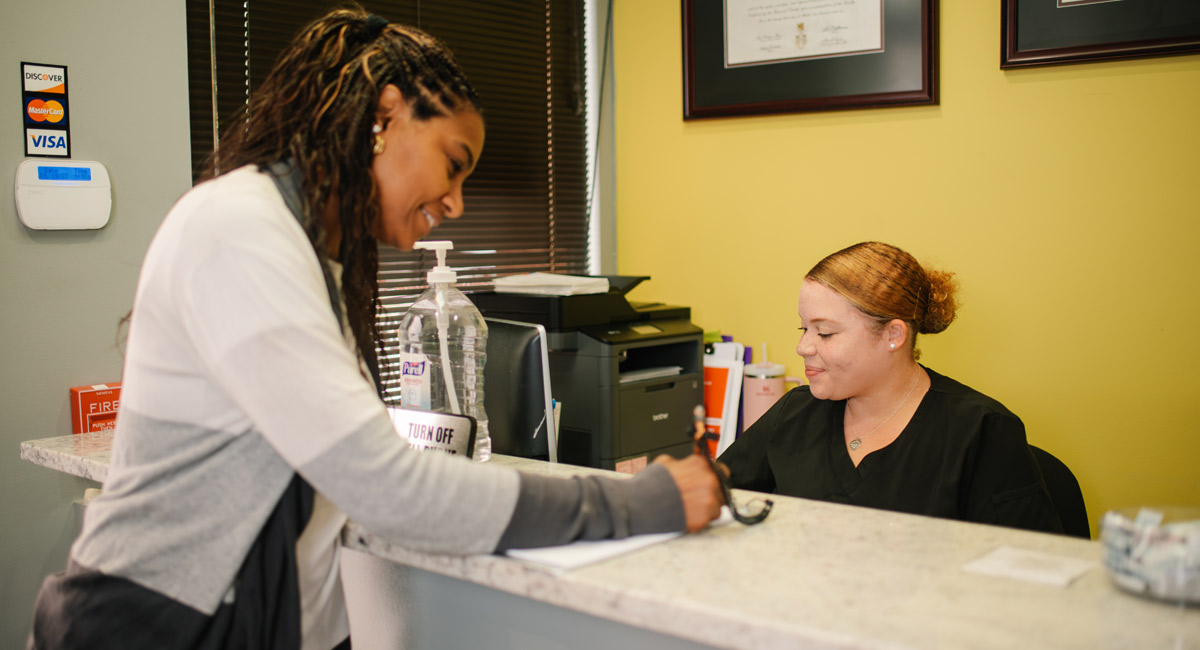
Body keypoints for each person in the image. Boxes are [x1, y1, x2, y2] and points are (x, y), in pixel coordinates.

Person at [28, 9, 721, 650]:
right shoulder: (239, 230)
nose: (455, 202)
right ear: (384, 115)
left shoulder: (308, 254)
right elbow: (392, 493)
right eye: (454, 163)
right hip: (158, 627)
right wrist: (640, 500)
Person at [718, 241, 1063, 534]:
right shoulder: (795, 412)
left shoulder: (980, 430)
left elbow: (1027, 570)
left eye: (824, 332)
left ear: (893, 335)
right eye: (803, 329)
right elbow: (715, 493)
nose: (804, 347)